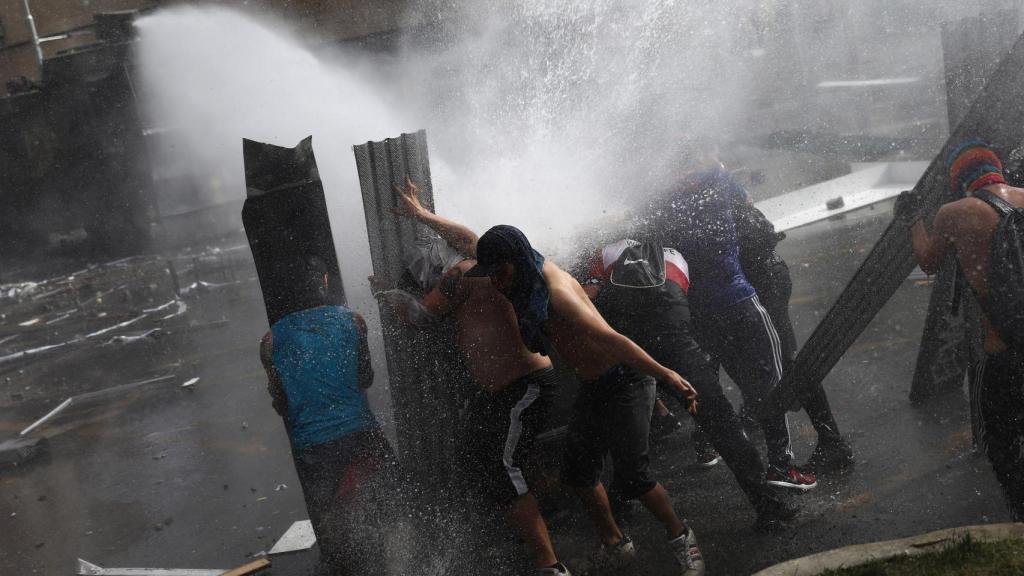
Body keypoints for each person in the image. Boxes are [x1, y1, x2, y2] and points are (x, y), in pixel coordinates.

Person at [465, 224, 706, 576]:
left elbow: (613, 340)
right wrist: (423, 215)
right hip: (594, 387)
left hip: (626, 382)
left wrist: (666, 375)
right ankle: (616, 545)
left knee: (633, 477)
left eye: (500, 272)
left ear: (516, 260)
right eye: (491, 275)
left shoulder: (555, 293)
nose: (497, 282)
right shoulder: (527, 274)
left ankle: (682, 538)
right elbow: (469, 240)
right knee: (578, 474)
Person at [375, 177, 571, 576]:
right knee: (497, 462)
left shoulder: (461, 275)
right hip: (516, 388)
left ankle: (550, 565)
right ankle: (547, 520)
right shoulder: (499, 266)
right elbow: (468, 237)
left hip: (523, 387)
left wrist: (389, 295)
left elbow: (420, 315)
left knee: (502, 468)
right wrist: (422, 214)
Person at [579, 238, 798, 529]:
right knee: (722, 423)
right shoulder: (678, 252)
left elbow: (587, 298)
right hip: (676, 342)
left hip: (628, 343)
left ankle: (620, 509)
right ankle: (768, 505)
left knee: (624, 429)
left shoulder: (605, 252)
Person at [639, 159, 817, 491]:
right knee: (770, 382)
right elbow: (747, 205)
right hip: (738, 300)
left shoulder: (658, 197)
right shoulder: (716, 176)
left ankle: (707, 443)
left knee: (710, 387)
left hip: (697, 311)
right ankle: (781, 464)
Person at [899, 140, 1024, 520]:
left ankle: (1019, 520)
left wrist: (913, 220)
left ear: (959, 179)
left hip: (1005, 353)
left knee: (1001, 445)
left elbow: (929, 262)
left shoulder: (955, 213)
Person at [259, 255, 398, 574]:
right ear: (324, 281)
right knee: (387, 500)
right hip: (360, 434)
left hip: (312, 446)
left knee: (330, 520)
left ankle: (344, 566)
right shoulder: (354, 322)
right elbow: (365, 378)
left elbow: (281, 404)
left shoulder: (270, 341)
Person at [726, 167, 855, 474]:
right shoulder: (707, 179)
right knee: (763, 354)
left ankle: (832, 441)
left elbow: (748, 209)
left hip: (763, 276)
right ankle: (756, 409)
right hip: (763, 273)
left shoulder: (706, 178)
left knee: (786, 358)